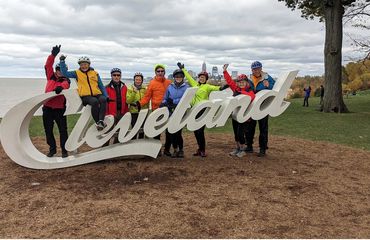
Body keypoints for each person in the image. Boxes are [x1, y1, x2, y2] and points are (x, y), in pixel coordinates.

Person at [177, 62, 224, 158]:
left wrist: (223, 87)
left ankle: (202, 150)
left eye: (203, 77)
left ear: (206, 79)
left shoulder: (207, 86)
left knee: (200, 131)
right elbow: (189, 77)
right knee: (195, 130)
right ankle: (199, 149)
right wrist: (183, 69)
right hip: (194, 110)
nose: (201, 78)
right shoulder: (195, 84)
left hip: (202, 110)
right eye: (200, 77)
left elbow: (217, 88)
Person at [59, 55, 108, 131]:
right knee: (94, 102)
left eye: (85, 64)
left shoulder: (95, 73)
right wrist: (62, 62)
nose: (83, 66)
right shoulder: (76, 73)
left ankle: (101, 121)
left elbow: (101, 85)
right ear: (80, 65)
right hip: (85, 96)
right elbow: (65, 74)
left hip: (97, 94)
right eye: (81, 64)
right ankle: (98, 123)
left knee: (103, 99)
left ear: (89, 64)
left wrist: (106, 95)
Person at [137, 64, 171, 156]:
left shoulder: (169, 82)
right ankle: (157, 149)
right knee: (157, 131)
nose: (160, 73)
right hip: (157, 110)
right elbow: (147, 97)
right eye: (158, 71)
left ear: (164, 72)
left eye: (162, 71)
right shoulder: (152, 83)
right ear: (155, 72)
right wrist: (139, 104)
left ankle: (167, 149)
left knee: (169, 131)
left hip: (168, 110)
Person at [43, 45, 70, 158]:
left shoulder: (66, 80)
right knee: (48, 130)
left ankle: (64, 150)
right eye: (57, 70)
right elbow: (48, 65)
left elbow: (66, 85)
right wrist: (53, 55)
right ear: (55, 70)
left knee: (63, 131)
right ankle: (52, 150)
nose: (59, 72)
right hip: (47, 108)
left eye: (61, 70)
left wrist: (61, 88)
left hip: (60, 109)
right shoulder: (50, 76)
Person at [223, 64, 256, 158]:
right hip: (236, 115)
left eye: (243, 82)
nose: (241, 83)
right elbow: (229, 82)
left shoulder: (250, 91)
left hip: (244, 116)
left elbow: (251, 97)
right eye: (239, 82)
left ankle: (242, 149)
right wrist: (225, 71)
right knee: (235, 133)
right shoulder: (236, 89)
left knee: (240, 133)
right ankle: (237, 148)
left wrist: (240, 93)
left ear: (246, 82)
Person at [246, 61, 275, 157]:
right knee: (250, 127)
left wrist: (268, 86)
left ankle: (263, 148)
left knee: (263, 128)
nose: (256, 70)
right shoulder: (249, 79)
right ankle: (249, 146)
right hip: (251, 106)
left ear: (261, 68)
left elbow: (275, 88)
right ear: (252, 70)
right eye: (254, 69)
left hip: (263, 106)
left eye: (258, 68)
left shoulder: (267, 77)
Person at [160, 69, 189, 158]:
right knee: (171, 132)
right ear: (174, 77)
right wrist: (165, 102)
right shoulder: (170, 87)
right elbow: (166, 97)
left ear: (183, 77)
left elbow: (185, 99)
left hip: (180, 112)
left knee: (178, 133)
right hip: (170, 112)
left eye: (180, 76)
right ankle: (175, 149)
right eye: (176, 76)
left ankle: (181, 150)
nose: (178, 78)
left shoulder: (186, 87)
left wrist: (174, 101)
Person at [105, 68, 129, 144]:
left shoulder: (124, 87)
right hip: (111, 113)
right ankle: (104, 148)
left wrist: (126, 112)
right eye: (114, 75)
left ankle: (116, 147)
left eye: (118, 75)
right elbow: (104, 102)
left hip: (121, 112)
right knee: (108, 131)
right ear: (111, 76)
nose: (116, 77)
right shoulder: (106, 87)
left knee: (120, 132)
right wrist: (106, 114)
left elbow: (126, 100)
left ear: (120, 76)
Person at [126, 72, 148, 139]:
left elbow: (147, 98)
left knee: (142, 128)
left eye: (139, 79)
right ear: (134, 80)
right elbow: (128, 101)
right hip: (134, 111)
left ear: (142, 80)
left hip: (143, 111)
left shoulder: (145, 89)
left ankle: (140, 143)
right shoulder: (130, 89)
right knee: (134, 128)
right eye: (136, 79)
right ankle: (133, 142)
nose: (138, 81)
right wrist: (134, 92)